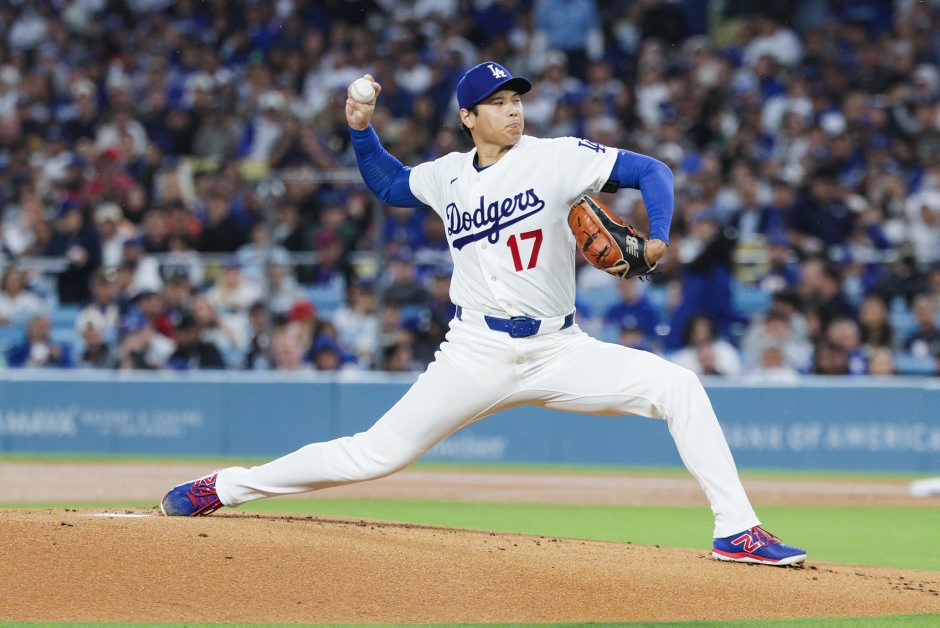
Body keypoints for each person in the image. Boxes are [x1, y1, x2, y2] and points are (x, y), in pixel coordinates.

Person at [160, 62, 806, 567]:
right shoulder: (448, 175)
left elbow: (653, 171)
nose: (513, 109)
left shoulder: (557, 156)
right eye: (497, 102)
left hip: (560, 349)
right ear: (468, 117)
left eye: (516, 98)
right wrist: (360, 130)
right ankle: (225, 488)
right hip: (475, 351)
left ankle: (736, 531)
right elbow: (389, 184)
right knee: (373, 455)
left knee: (679, 387)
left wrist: (658, 235)